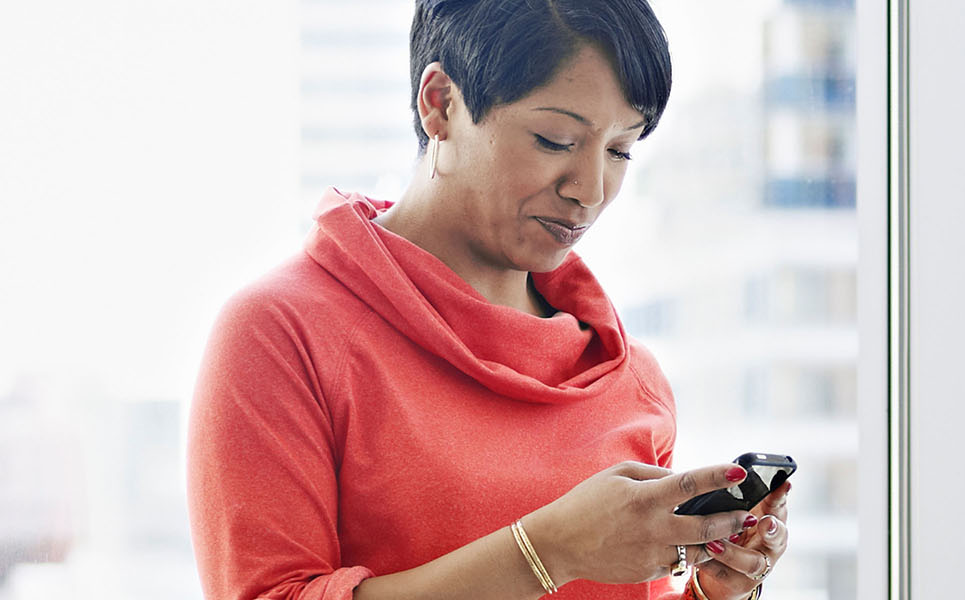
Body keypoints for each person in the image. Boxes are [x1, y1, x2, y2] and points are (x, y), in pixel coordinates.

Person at [186, 1, 791, 598]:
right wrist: (549, 550)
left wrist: (714, 592)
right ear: (441, 103)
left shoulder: (631, 380)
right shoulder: (280, 334)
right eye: (555, 140)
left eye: (619, 150)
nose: (590, 190)